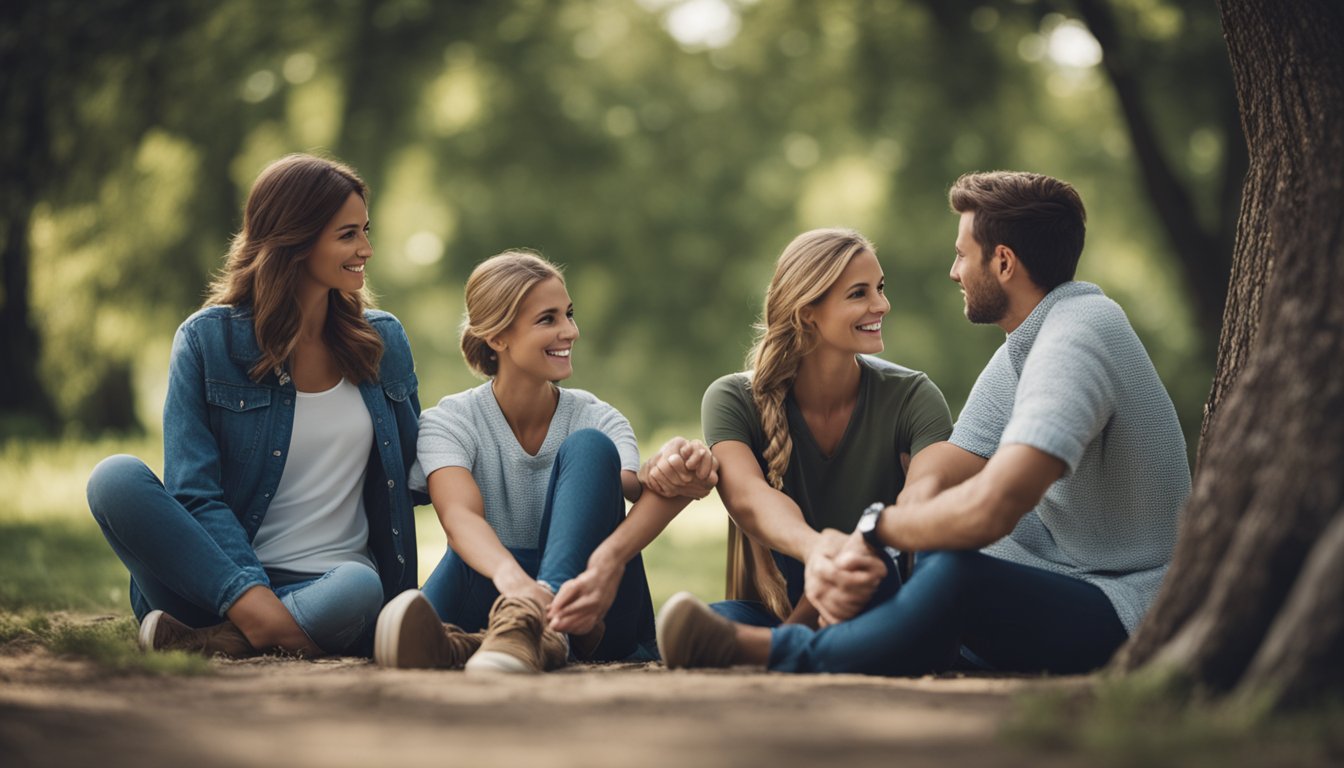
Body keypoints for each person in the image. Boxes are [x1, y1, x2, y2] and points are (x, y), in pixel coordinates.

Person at [658, 171, 1191, 676]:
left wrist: (876, 528)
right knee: (928, 558)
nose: (954, 271)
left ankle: (773, 649)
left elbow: (994, 506)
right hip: (1051, 580)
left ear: (1003, 262)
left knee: (955, 572)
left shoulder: (1077, 337)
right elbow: (935, 482)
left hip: (1121, 599)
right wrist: (868, 555)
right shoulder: (1020, 350)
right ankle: (842, 631)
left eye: (963, 255)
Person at [86, 154, 422, 659]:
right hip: (214, 584)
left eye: (365, 231)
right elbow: (193, 492)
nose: (366, 249)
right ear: (297, 237)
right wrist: (248, 594)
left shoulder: (382, 340)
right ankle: (261, 626)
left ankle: (214, 643)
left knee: (360, 583)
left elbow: (420, 468)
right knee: (113, 478)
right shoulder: (207, 341)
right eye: (348, 234)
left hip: (335, 587)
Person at [374, 250, 716, 673]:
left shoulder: (597, 417)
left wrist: (676, 465)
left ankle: (534, 631)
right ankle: (480, 644)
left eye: (569, 315)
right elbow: (459, 517)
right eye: (548, 319)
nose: (570, 331)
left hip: (592, 610)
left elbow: (637, 485)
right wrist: (517, 586)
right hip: (494, 588)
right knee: (446, 580)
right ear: (497, 337)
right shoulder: (450, 421)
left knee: (590, 446)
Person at [698, 228, 953, 630]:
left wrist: (844, 560)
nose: (882, 305)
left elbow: (924, 505)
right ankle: (794, 641)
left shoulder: (914, 397)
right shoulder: (732, 398)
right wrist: (817, 550)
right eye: (859, 294)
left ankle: (788, 644)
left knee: (874, 574)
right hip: (777, 608)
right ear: (807, 314)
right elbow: (747, 498)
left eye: (880, 288)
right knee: (710, 620)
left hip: (877, 597)